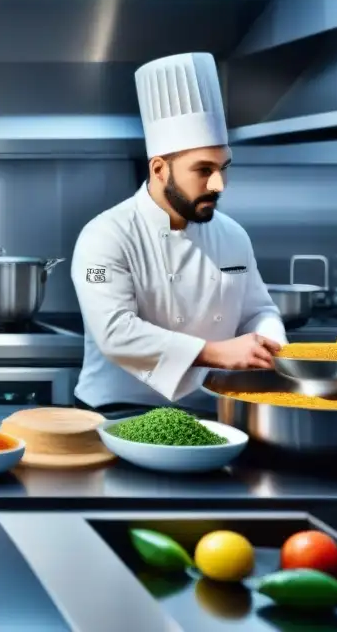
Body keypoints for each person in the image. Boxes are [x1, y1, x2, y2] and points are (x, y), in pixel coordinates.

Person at [71, 52, 285, 411]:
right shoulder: (104, 237)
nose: (219, 184)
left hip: (211, 409)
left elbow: (258, 309)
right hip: (116, 411)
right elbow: (115, 332)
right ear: (159, 170)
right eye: (203, 170)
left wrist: (270, 347)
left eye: (223, 167)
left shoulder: (233, 236)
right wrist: (218, 354)